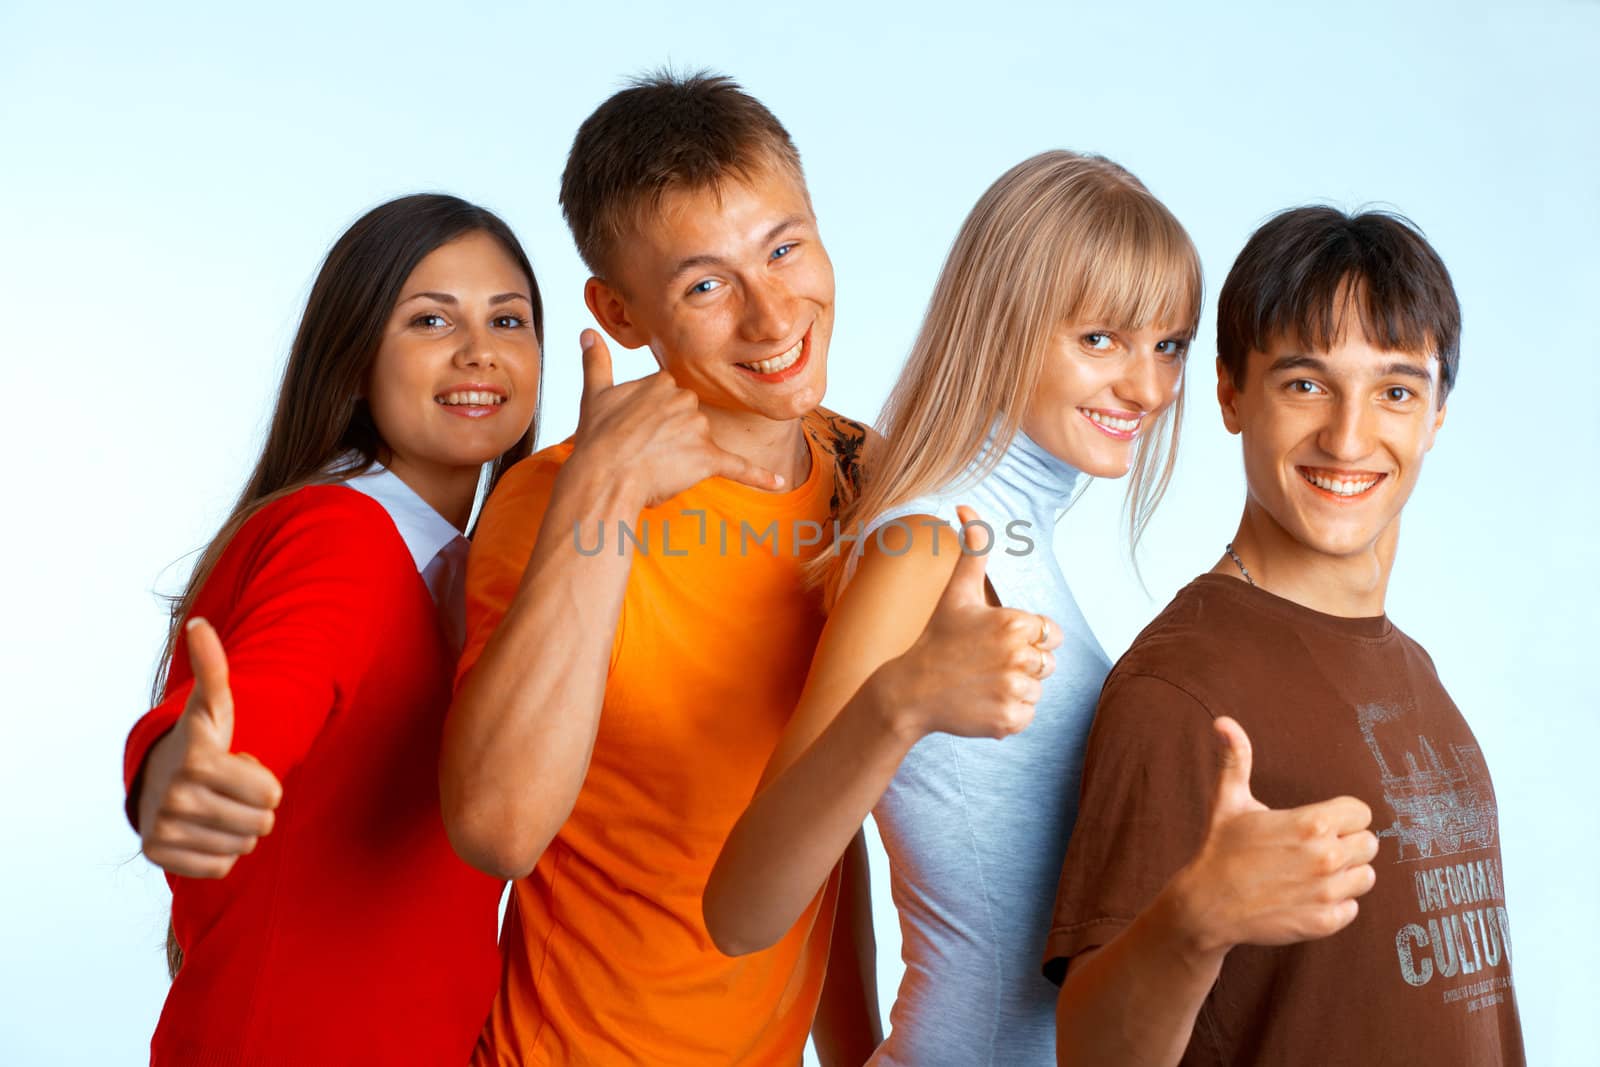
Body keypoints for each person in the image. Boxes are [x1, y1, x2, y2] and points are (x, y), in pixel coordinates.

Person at [704, 150, 1202, 1064]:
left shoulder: (1012, 530)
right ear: (1005, 327)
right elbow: (743, 908)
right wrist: (906, 700)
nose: (1146, 385)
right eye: (1101, 339)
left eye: (1167, 343)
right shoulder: (929, 544)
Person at [439, 71, 887, 1065]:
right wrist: (602, 494)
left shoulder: (869, 475)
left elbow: (822, 803)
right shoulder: (556, 499)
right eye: (704, 284)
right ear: (621, 311)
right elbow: (498, 830)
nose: (773, 317)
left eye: (784, 247)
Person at [1046, 206, 1526, 1065]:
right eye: (1305, 384)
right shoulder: (1181, 691)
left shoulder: (1414, 669)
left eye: (1395, 391)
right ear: (1231, 393)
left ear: (1437, 413)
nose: (1348, 436)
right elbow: (1089, 1050)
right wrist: (1196, 920)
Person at [123, 194, 542, 1064]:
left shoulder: (473, 571)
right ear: (353, 361)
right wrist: (187, 771)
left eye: (509, 319)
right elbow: (258, 701)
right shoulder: (341, 534)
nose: (481, 352)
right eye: (431, 319)